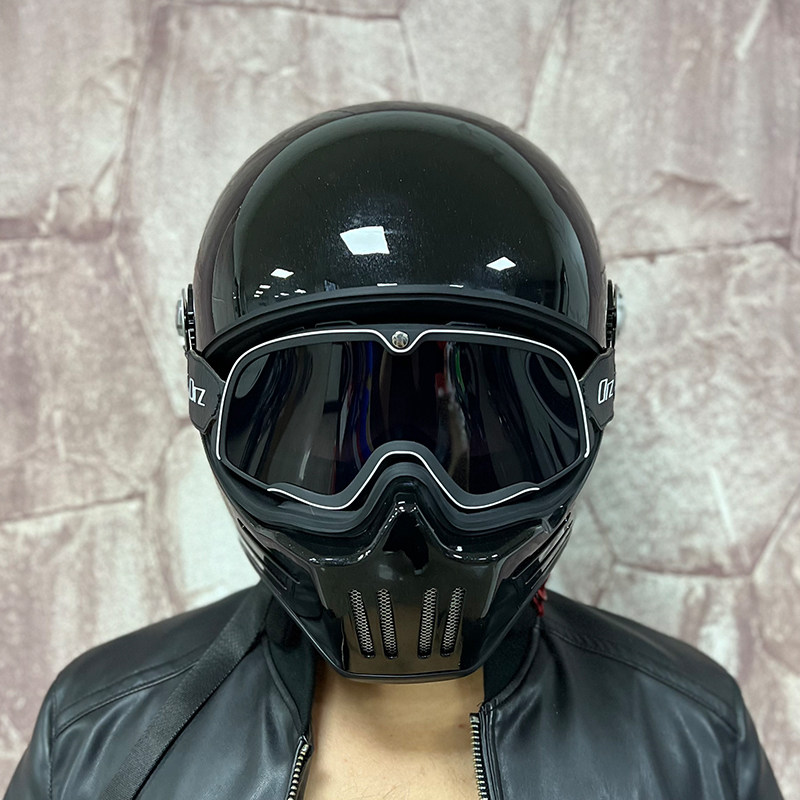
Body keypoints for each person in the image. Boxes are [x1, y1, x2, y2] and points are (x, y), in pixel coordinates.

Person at [5, 102, 783, 799]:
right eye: (346, 433)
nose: (402, 506)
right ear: (215, 408)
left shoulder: (697, 736)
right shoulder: (96, 736)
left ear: (589, 401)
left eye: (463, 426)